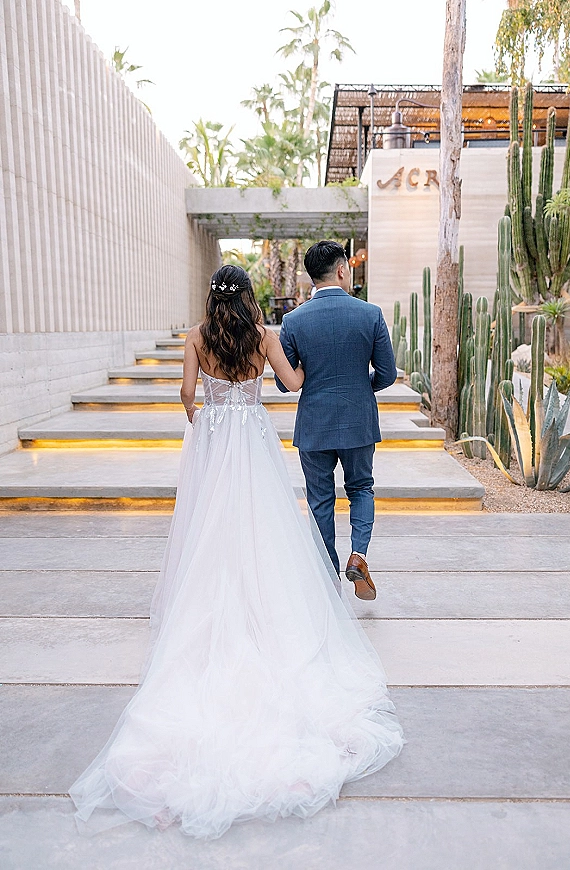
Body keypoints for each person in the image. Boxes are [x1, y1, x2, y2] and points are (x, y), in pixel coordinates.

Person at [69, 264, 404, 840]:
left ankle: (214, 613)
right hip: (252, 443)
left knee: (209, 532)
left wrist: (205, 420)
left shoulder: (197, 337)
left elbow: (185, 394)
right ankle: (268, 611)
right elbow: (294, 384)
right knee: (264, 529)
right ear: (248, 296)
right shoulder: (264, 336)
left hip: (215, 444)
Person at [275, 241, 397, 600]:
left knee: (320, 500)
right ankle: (358, 555)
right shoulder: (370, 314)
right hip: (359, 420)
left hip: (314, 423)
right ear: (342, 270)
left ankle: (327, 573)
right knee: (360, 488)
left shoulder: (293, 321)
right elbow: (387, 374)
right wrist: (362, 388)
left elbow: (285, 383)